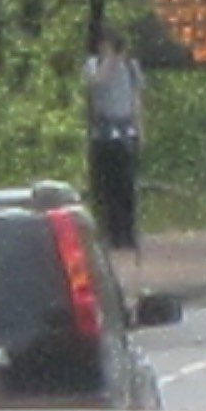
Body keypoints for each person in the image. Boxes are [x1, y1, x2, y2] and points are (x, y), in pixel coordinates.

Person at [82, 24, 145, 249]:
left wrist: (140, 129)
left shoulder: (130, 66)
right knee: (106, 186)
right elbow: (95, 84)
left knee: (126, 185)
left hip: (125, 130)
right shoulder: (93, 65)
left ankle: (126, 233)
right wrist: (108, 61)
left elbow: (136, 97)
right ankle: (109, 232)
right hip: (103, 132)